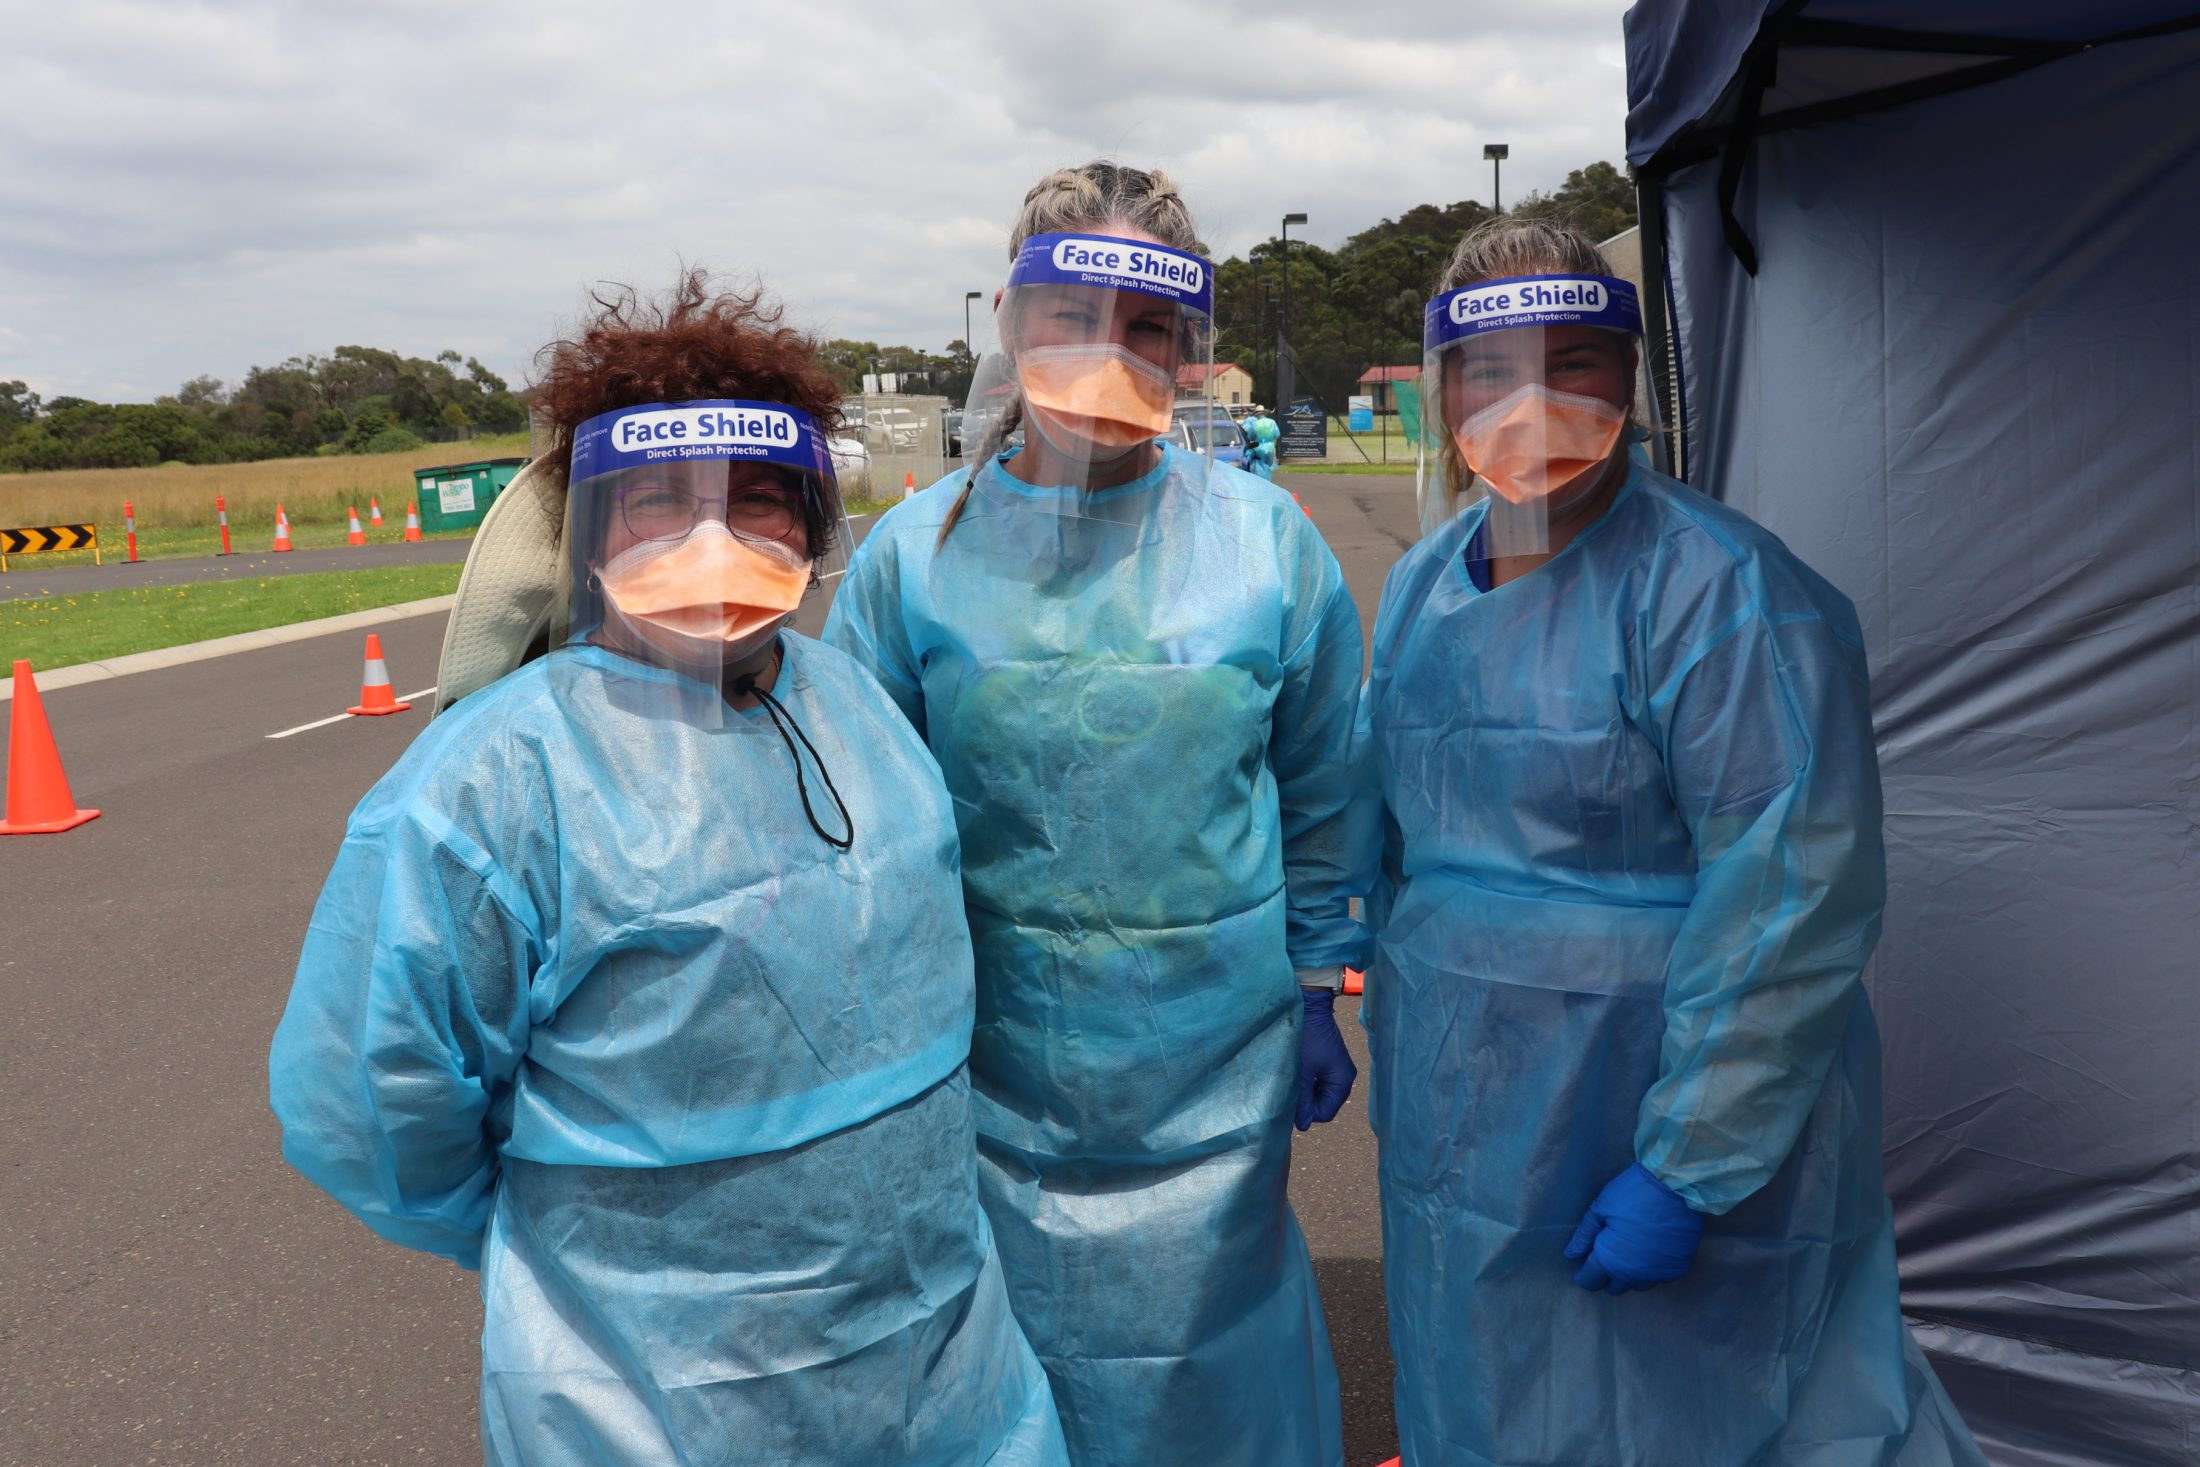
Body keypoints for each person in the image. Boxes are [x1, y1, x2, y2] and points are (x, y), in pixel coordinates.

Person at [268, 276, 1068, 1467]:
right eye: (657, 500)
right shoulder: (494, 780)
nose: (712, 542)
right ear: (588, 533)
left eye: (760, 498)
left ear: (812, 523)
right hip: (652, 1395)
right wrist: (566, 1237)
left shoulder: (855, 706)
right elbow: (375, 1106)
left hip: (945, 1362)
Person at [1357, 218, 1986, 1465]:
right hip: (1464, 1104)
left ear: (1630, 376)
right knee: (1484, 1392)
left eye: (1574, 362)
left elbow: (1790, 891)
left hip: (1661, 1101)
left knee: (1712, 1414)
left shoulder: (1722, 590)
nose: (1531, 401)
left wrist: (1693, 1161)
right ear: (1441, 392)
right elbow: (1398, 833)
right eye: (1491, 370)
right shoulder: (1426, 587)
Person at [823, 162, 1363, 1467]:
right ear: (1011, 322)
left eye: (1148, 327)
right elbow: (847, 824)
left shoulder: (1265, 546)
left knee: (1209, 1363)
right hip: (979, 1067)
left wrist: (1317, 979)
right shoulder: (913, 560)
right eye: (1072, 316)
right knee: (999, 1367)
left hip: (1212, 1071)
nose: (1109, 353)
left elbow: (1323, 783)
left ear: (1189, 349)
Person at [1242, 404, 1280, 481]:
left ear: (1256, 414)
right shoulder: (1272, 422)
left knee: (1259, 467)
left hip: (1259, 447)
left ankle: (1260, 482)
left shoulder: (1255, 424)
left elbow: (1250, 436)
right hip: (1270, 448)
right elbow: (1277, 434)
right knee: (1268, 467)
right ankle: (1268, 481)